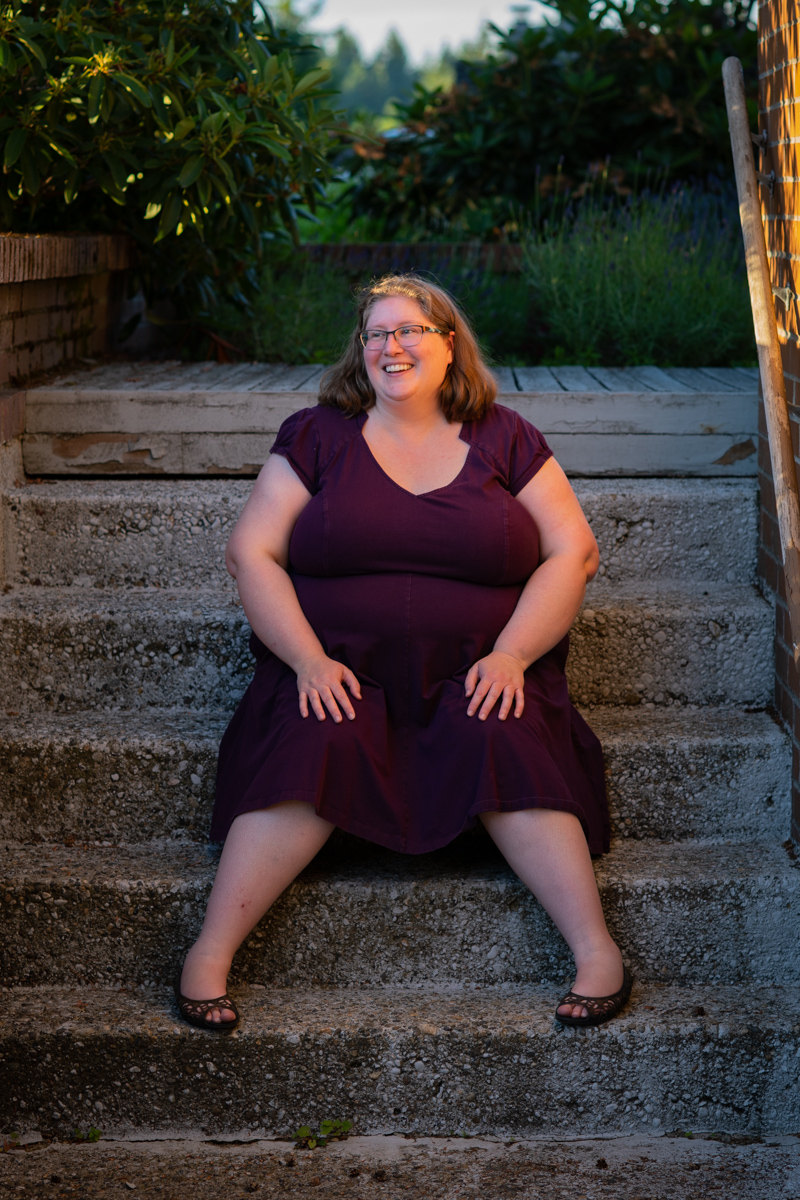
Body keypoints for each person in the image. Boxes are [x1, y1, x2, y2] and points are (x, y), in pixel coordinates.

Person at [173, 273, 631, 1034]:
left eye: (411, 330)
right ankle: (207, 957)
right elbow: (251, 553)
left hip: (478, 674)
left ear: (450, 344)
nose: (393, 346)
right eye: (377, 333)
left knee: (499, 732)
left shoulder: (505, 435)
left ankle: (598, 953)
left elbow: (572, 553)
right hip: (338, 675)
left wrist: (514, 655)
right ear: (362, 352)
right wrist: (308, 661)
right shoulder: (318, 435)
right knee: (316, 737)